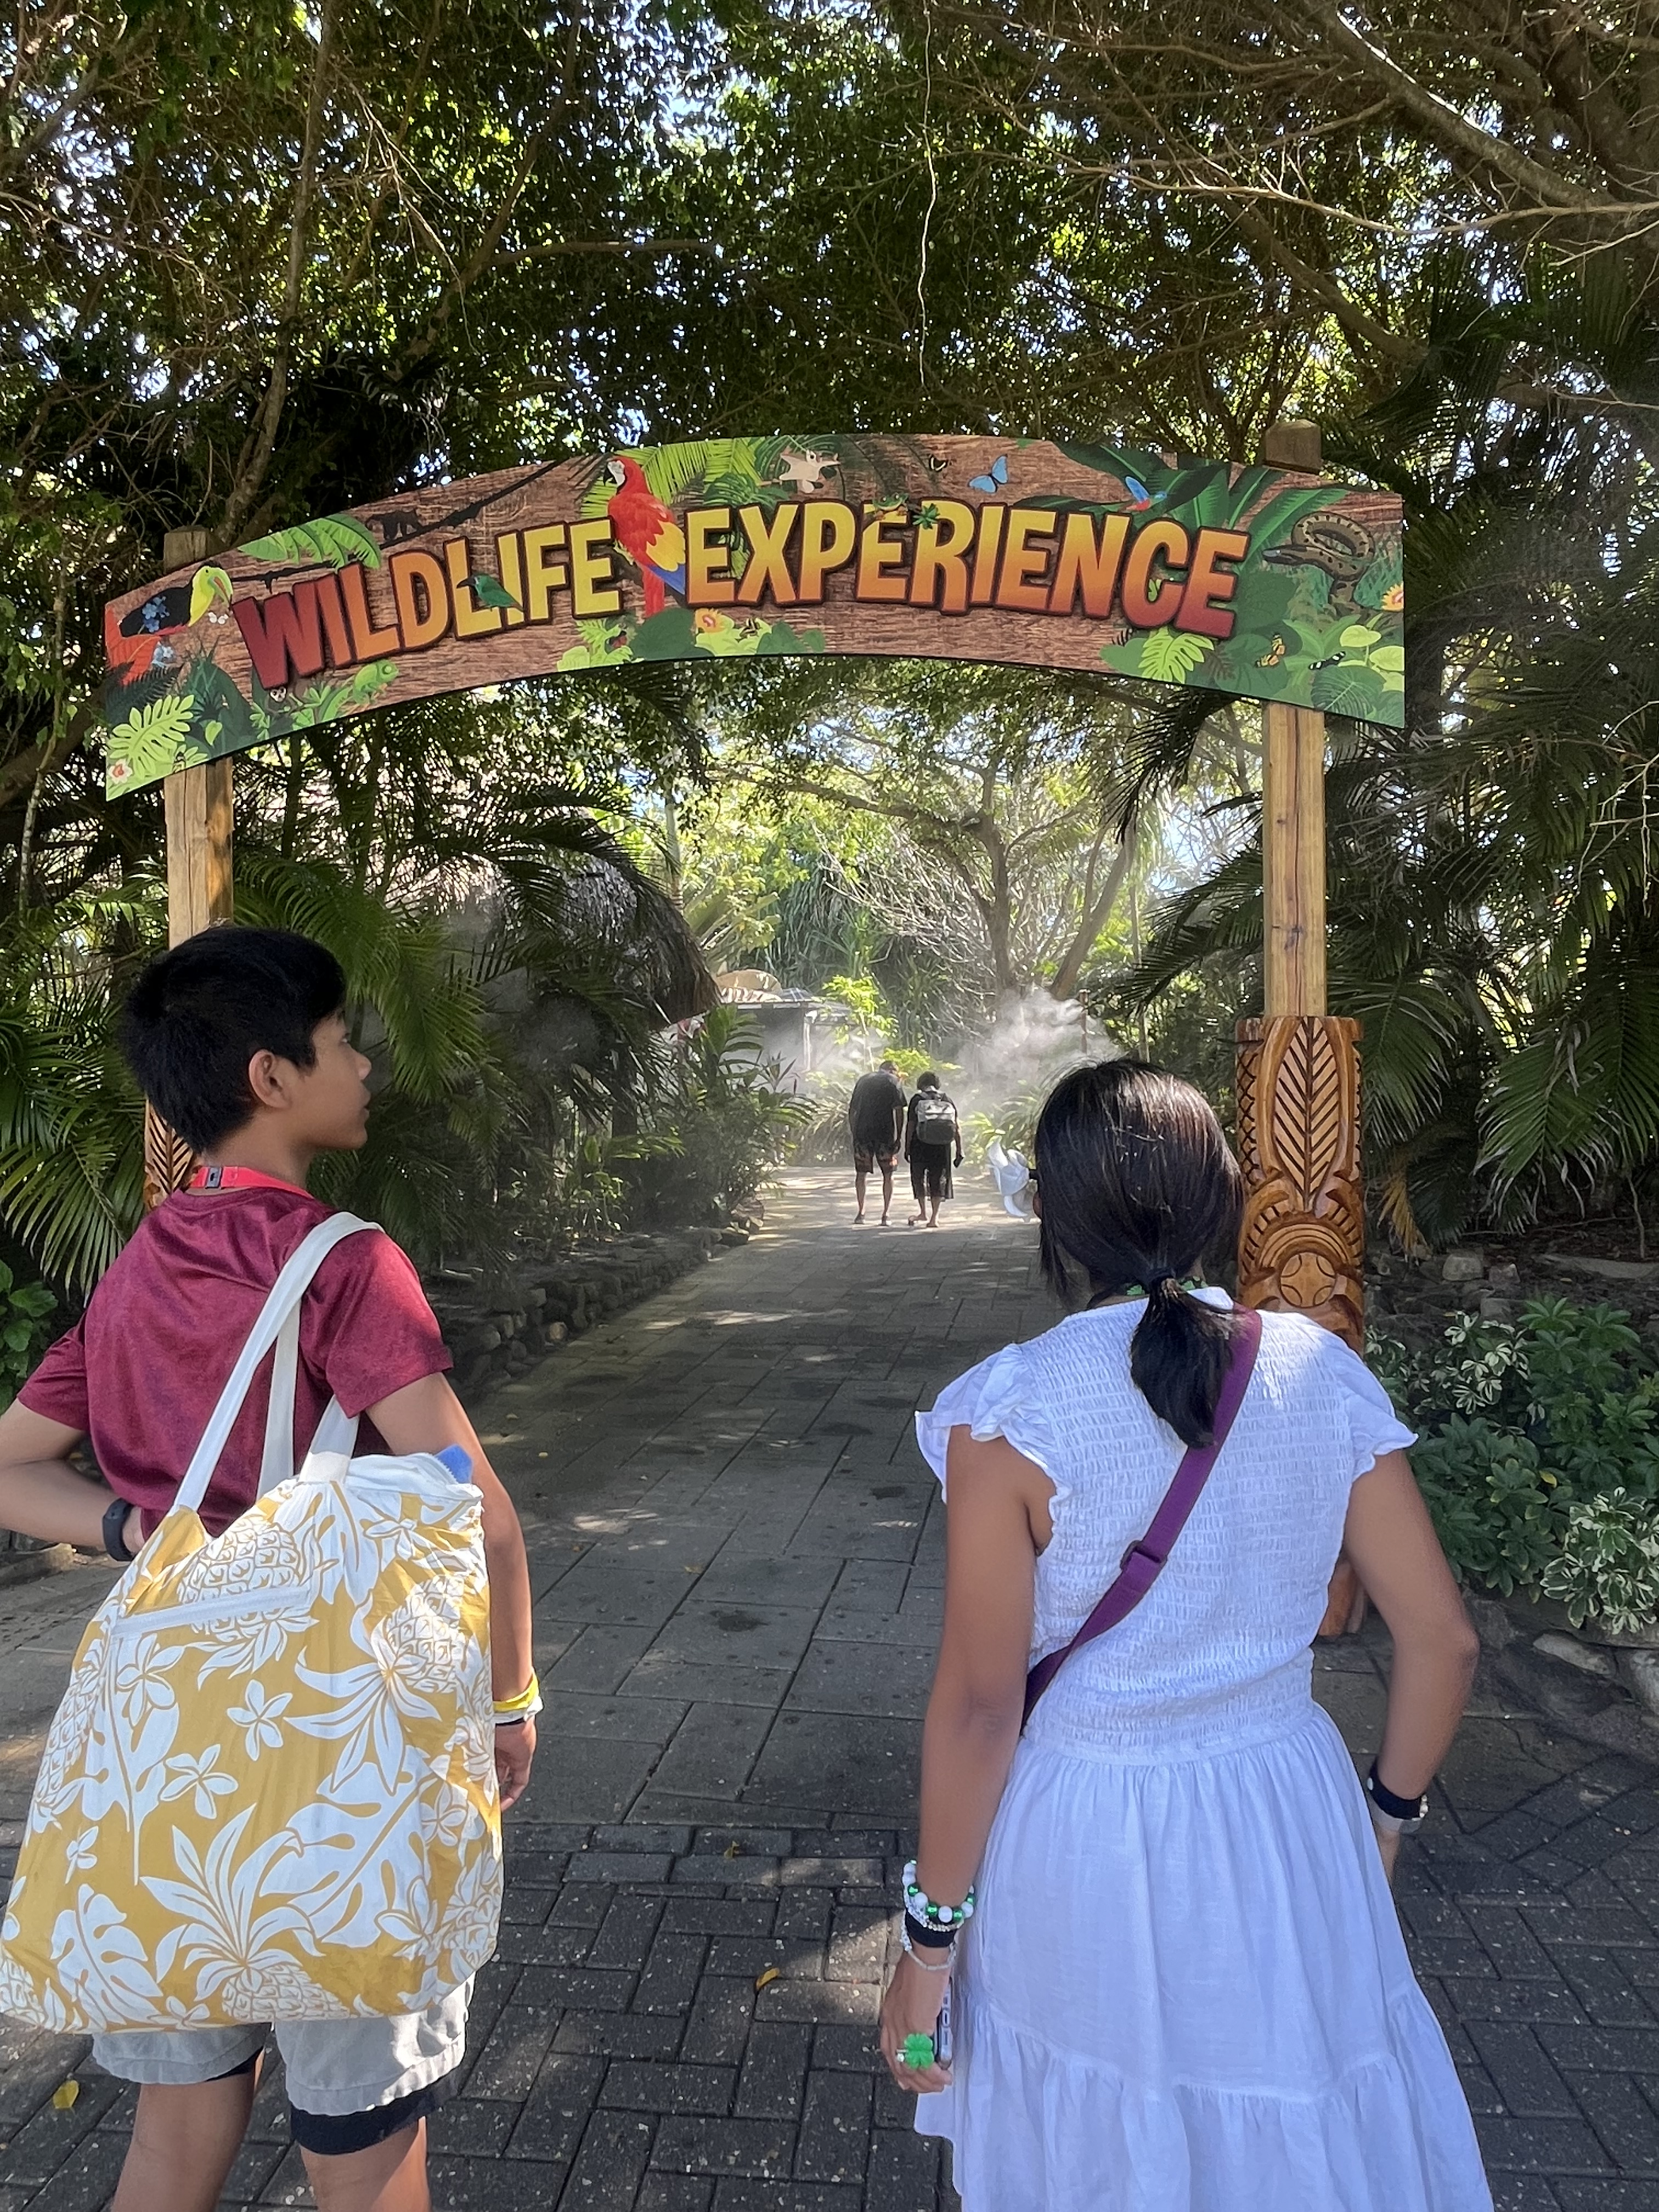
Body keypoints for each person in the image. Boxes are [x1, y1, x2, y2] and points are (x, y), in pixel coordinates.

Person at [879, 1058, 1490, 2212]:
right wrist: (1385, 1820)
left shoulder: (1012, 1411)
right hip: (1288, 1812)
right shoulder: (1319, 1372)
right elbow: (1443, 1639)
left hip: (1086, 1834)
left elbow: (979, 1710)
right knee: (1297, 2116)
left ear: (1050, 1213)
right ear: (1221, 1198)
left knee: (1099, 2140)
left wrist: (927, 1948)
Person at [0, 927, 537, 2212]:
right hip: (332, 1769)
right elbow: (482, 1519)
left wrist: (136, 1530)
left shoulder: (136, 1270)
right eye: (343, 1042)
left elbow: (11, 1465)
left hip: (172, 1775)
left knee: (173, 2141)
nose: (365, 1065)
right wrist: (510, 1705)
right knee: (364, 2146)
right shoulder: (346, 1264)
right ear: (273, 1075)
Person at [848, 1056, 906, 1223]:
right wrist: (899, 1136)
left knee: (861, 1174)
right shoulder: (894, 1081)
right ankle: (885, 1215)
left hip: (863, 1133)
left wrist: (854, 1133)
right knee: (888, 1173)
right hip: (885, 1134)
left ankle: (861, 1213)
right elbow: (899, 1111)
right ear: (892, 1070)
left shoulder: (863, 1080)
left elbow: (852, 1110)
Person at [904, 1071, 962, 1228]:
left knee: (919, 1177)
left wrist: (907, 1147)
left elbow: (911, 1126)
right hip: (942, 1146)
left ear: (921, 1084)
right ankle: (934, 1218)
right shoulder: (946, 1099)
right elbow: (956, 1127)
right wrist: (959, 1149)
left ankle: (923, 1212)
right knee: (938, 1178)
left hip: (920, 1144)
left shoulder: (917, 1099)